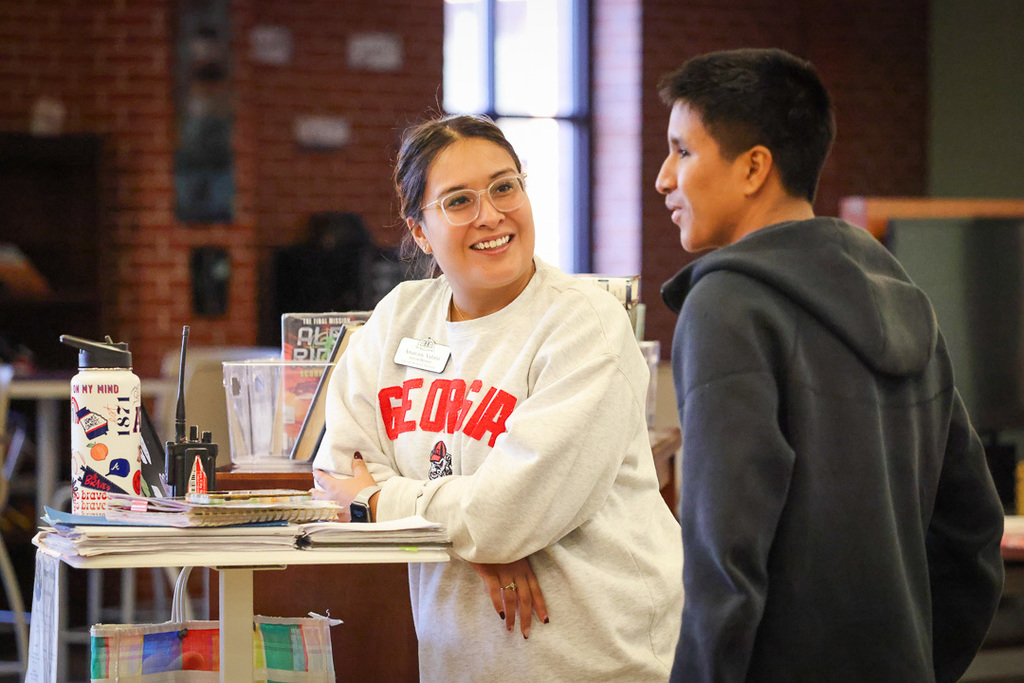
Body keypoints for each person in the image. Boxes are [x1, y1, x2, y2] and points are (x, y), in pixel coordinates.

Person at [655, 48, 1005, 682]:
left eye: (682, 151)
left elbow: (723, 560)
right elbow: (975, 533)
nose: (663, 178)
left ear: (754, 167)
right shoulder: (908, 300)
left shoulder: (726, 304)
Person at [312, 113, 683, 681]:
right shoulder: (398, 321)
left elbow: (504, 517)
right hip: (459, 658)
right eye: (458, 201)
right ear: (418, 230)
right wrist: (475, 535)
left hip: (600, 660)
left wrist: (384, 505)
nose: (491, 215)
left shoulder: (585, 324)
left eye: (505, 187)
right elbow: (339, 469)